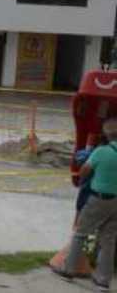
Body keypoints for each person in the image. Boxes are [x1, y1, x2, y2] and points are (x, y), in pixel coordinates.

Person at [54, 117, 117, 291]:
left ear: (106, 134)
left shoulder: (101, 151)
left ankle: (68, 270)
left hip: (98, 199)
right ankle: (103, 281)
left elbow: (84, 171)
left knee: (80, 234)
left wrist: (85, 180)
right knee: (109, 241)